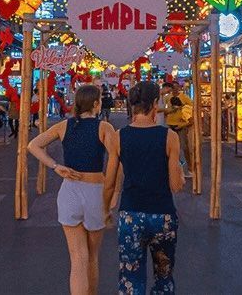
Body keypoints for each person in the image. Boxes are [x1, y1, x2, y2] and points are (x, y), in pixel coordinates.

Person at [27, 85, 118, 295]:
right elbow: (116, 160)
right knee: (93, 256)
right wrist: (113, 194)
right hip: (95, 190)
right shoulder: (104, 128)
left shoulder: (64, 126)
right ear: (96, 104)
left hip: (69, 191)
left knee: (77, 258)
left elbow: (33, 145)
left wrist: (56, 167)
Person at [106, 81, 184, 293]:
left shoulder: (119, 136)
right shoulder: (169, 136)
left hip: (130, 214)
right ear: (154, 104)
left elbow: (110, 180)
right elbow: (175, 186)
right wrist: (180, 174)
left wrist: (106, 208)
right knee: (164, 276)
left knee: (130, 276)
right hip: (163, 215)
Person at [164, 82, 194, 179]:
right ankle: (171, 168)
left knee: (184, 147)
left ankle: (190, 168)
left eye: (176, 88)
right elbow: (165, 109)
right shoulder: (167, 97)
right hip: (170, 124)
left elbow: (191, 107)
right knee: (169, 148)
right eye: (173, 88)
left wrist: (183, 112)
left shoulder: (184, 97)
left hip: (181, 125)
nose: (175, 90)